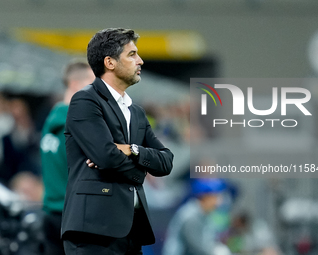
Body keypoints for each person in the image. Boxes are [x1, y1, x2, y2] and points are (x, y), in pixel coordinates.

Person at [61, 28, 174, 255]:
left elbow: (166, 161)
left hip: (131, 232)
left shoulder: (137, 112)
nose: (140, 61)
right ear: (110, 62)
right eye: (132, 54)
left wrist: (132, 150)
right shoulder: (85, 100)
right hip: (93, 231)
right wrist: (141, 170)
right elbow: (106, 156)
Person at [40, 60, 95, 255]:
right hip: (75, 215)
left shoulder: (51, 119)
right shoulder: (77, 124)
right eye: (92, 81)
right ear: (74, 84)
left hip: (51, 213)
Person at [162, 178, 231, 255]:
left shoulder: (204, 214)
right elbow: (197, 246)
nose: (219, 201)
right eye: (216, 196)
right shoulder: (191, 216)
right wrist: (216, 251)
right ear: (205, 197)